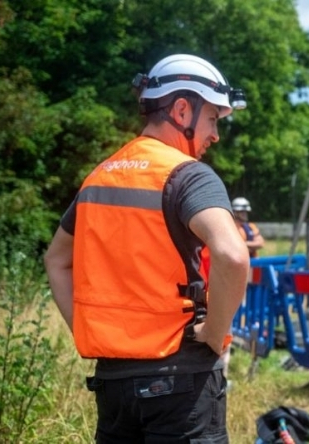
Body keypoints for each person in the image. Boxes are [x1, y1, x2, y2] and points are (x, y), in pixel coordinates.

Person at [43, 54, 250, 442]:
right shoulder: (189, 176)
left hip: (113, 383)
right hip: (181, 382)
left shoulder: (97, 178)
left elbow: (56, 260)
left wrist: (87, 330)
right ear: (182, 110)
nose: (215, 135)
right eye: (212, 119)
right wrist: (214, 332)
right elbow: (233, 255)